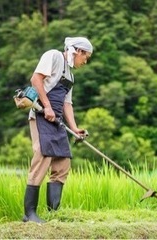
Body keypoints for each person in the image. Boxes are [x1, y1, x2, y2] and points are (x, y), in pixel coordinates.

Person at [22, 37, 93, 223]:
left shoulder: (70, 75)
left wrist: (75, 128)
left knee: (62, 163)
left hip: (57, 120)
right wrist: (46, 107)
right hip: (41, 116)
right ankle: (29, 214)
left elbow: (67, 103)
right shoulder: (53, 56)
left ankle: (54, 214)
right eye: (86, 56)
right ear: (78, 51)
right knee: (42, 159)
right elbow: (35, 79)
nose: (86, 61)